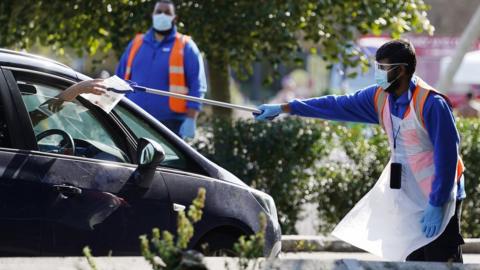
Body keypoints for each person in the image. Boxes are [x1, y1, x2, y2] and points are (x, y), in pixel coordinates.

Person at [255, 40, 466, 262]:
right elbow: (336, 105)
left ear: (401, 70)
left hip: (441, 195)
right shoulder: (380, 97)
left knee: (442, 259)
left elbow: (447, 157)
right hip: (409, 194)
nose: (378, 74)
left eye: (383, 68)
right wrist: (286, 108)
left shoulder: (431, 103)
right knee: (412, 258)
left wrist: (437, 202)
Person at [115, 0, 207, 139]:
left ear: (174, 18)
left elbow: (197, 85)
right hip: (133, 119)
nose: (162, 15)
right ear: (152, 15)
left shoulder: (186, 46)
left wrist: (191, 118)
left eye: (167, 12)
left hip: (171, 125)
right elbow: (119, 78)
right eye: (159, 12)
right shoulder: (136, 43)